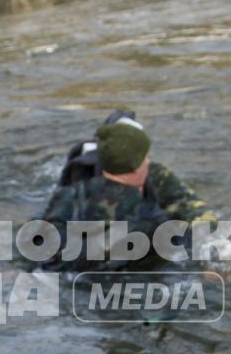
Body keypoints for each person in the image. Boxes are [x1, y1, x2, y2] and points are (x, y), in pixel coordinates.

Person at [39, 113, 217, 271]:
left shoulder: (69, 194)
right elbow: (183, 254)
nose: (148, 161)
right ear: (136, 167)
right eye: (145, 157)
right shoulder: (149, 216)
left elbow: (39, 242)